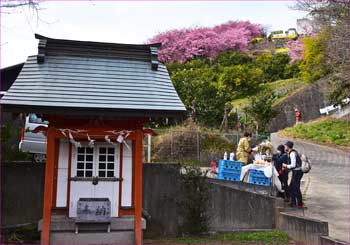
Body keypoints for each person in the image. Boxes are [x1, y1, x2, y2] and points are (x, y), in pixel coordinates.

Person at [283, 141, 304, 208]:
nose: (285, 147)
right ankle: (293, 203)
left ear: (288, 147)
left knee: (296, 188)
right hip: (296, 172)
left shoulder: (292, 154)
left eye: (286, 146)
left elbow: (293, 165)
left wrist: (286, 166)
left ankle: (300, 204)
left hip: (297, 172)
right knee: (291, 188)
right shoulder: (292, 152)